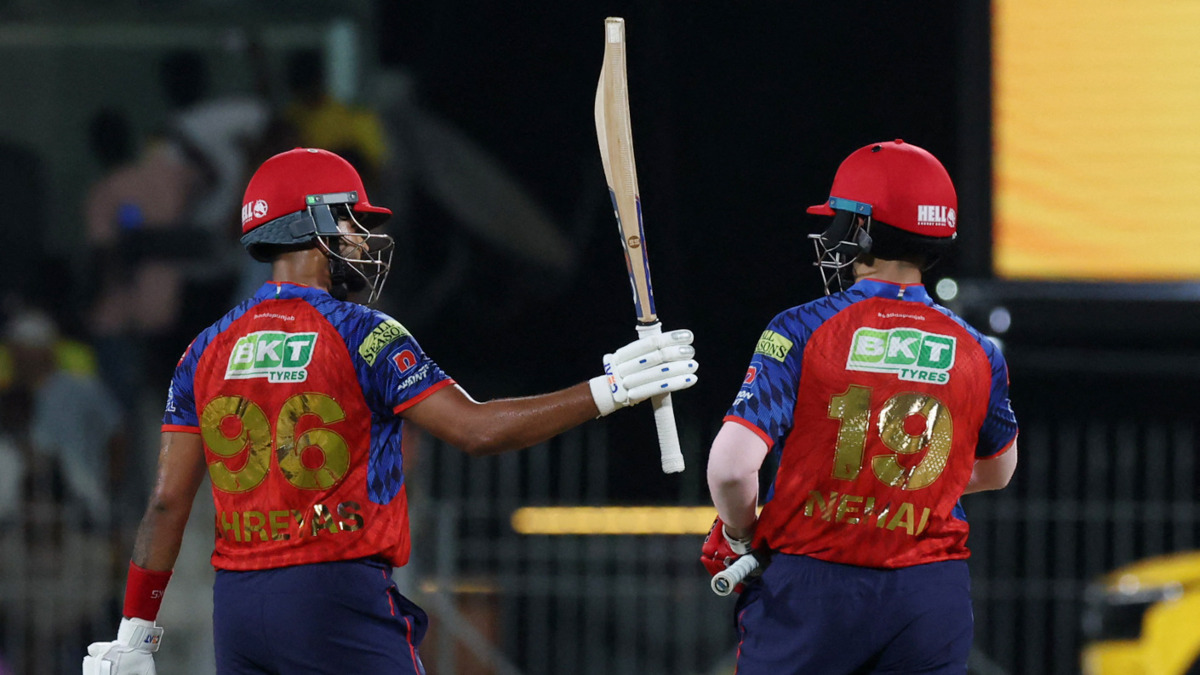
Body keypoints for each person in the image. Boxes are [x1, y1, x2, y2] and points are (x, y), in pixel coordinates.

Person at [83, 147, 699, 674]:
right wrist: (611, 388)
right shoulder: (364, 333)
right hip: (335, 593)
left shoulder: (205, 348)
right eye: (351, 219)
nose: (362, 236)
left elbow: (167, 502)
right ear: (316, 222)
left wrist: (135, 630)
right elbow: (476, 430)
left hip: (238, 606)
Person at [700, 139, 1018, 674]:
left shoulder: (800, 329)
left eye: (841, 222)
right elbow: (997, 471)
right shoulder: (980, 350)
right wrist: (886, 490)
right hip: (928, 596)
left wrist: (738, 534)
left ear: (862, 230)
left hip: (812, 588)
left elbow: (731, 469)